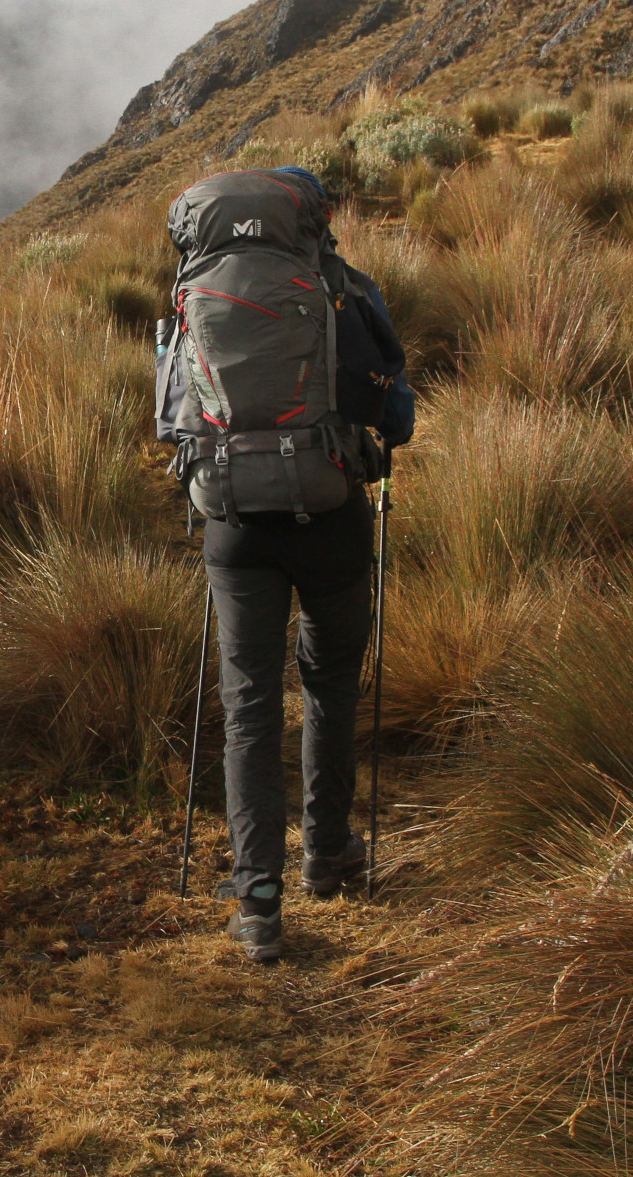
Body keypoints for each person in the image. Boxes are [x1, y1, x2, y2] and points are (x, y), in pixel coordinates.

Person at [156, 163, 415, 963]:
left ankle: (258, 901)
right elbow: (397, 415)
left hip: (234, 523)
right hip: (331, 511)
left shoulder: (187, 299)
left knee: (249, 704)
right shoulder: (345, 287)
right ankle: (327, 855)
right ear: (311, 221)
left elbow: (170, 421)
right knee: (332, 683)